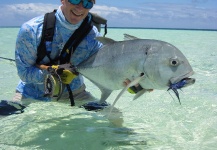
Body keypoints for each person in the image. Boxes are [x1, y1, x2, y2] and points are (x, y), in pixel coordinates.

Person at [13, 0, 102, 103]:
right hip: (32, 93)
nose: (80, 7)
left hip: (75, 93)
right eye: (75, 0)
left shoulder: (93, 36)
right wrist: (53, 72)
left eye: (87, 3)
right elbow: (24, 73)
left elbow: (104, 67)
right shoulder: (31, 29)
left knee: (114, 115)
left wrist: (122, 79)